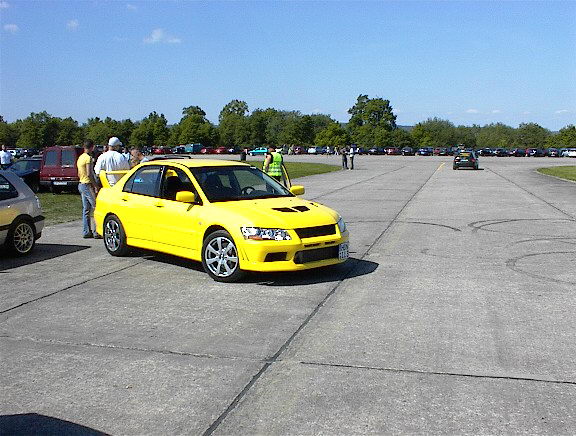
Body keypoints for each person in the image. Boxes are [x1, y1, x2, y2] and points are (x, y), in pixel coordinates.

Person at [77, 140, 100, 239]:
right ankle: (96, 231)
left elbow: (79, 173)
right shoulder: (88, 158)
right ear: (92, 147)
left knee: (86, 209)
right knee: (96, 207)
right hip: (87, 184)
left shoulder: (80, 157)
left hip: (81, 183)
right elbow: (89, 173)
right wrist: (95, 186)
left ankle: (86, 231)